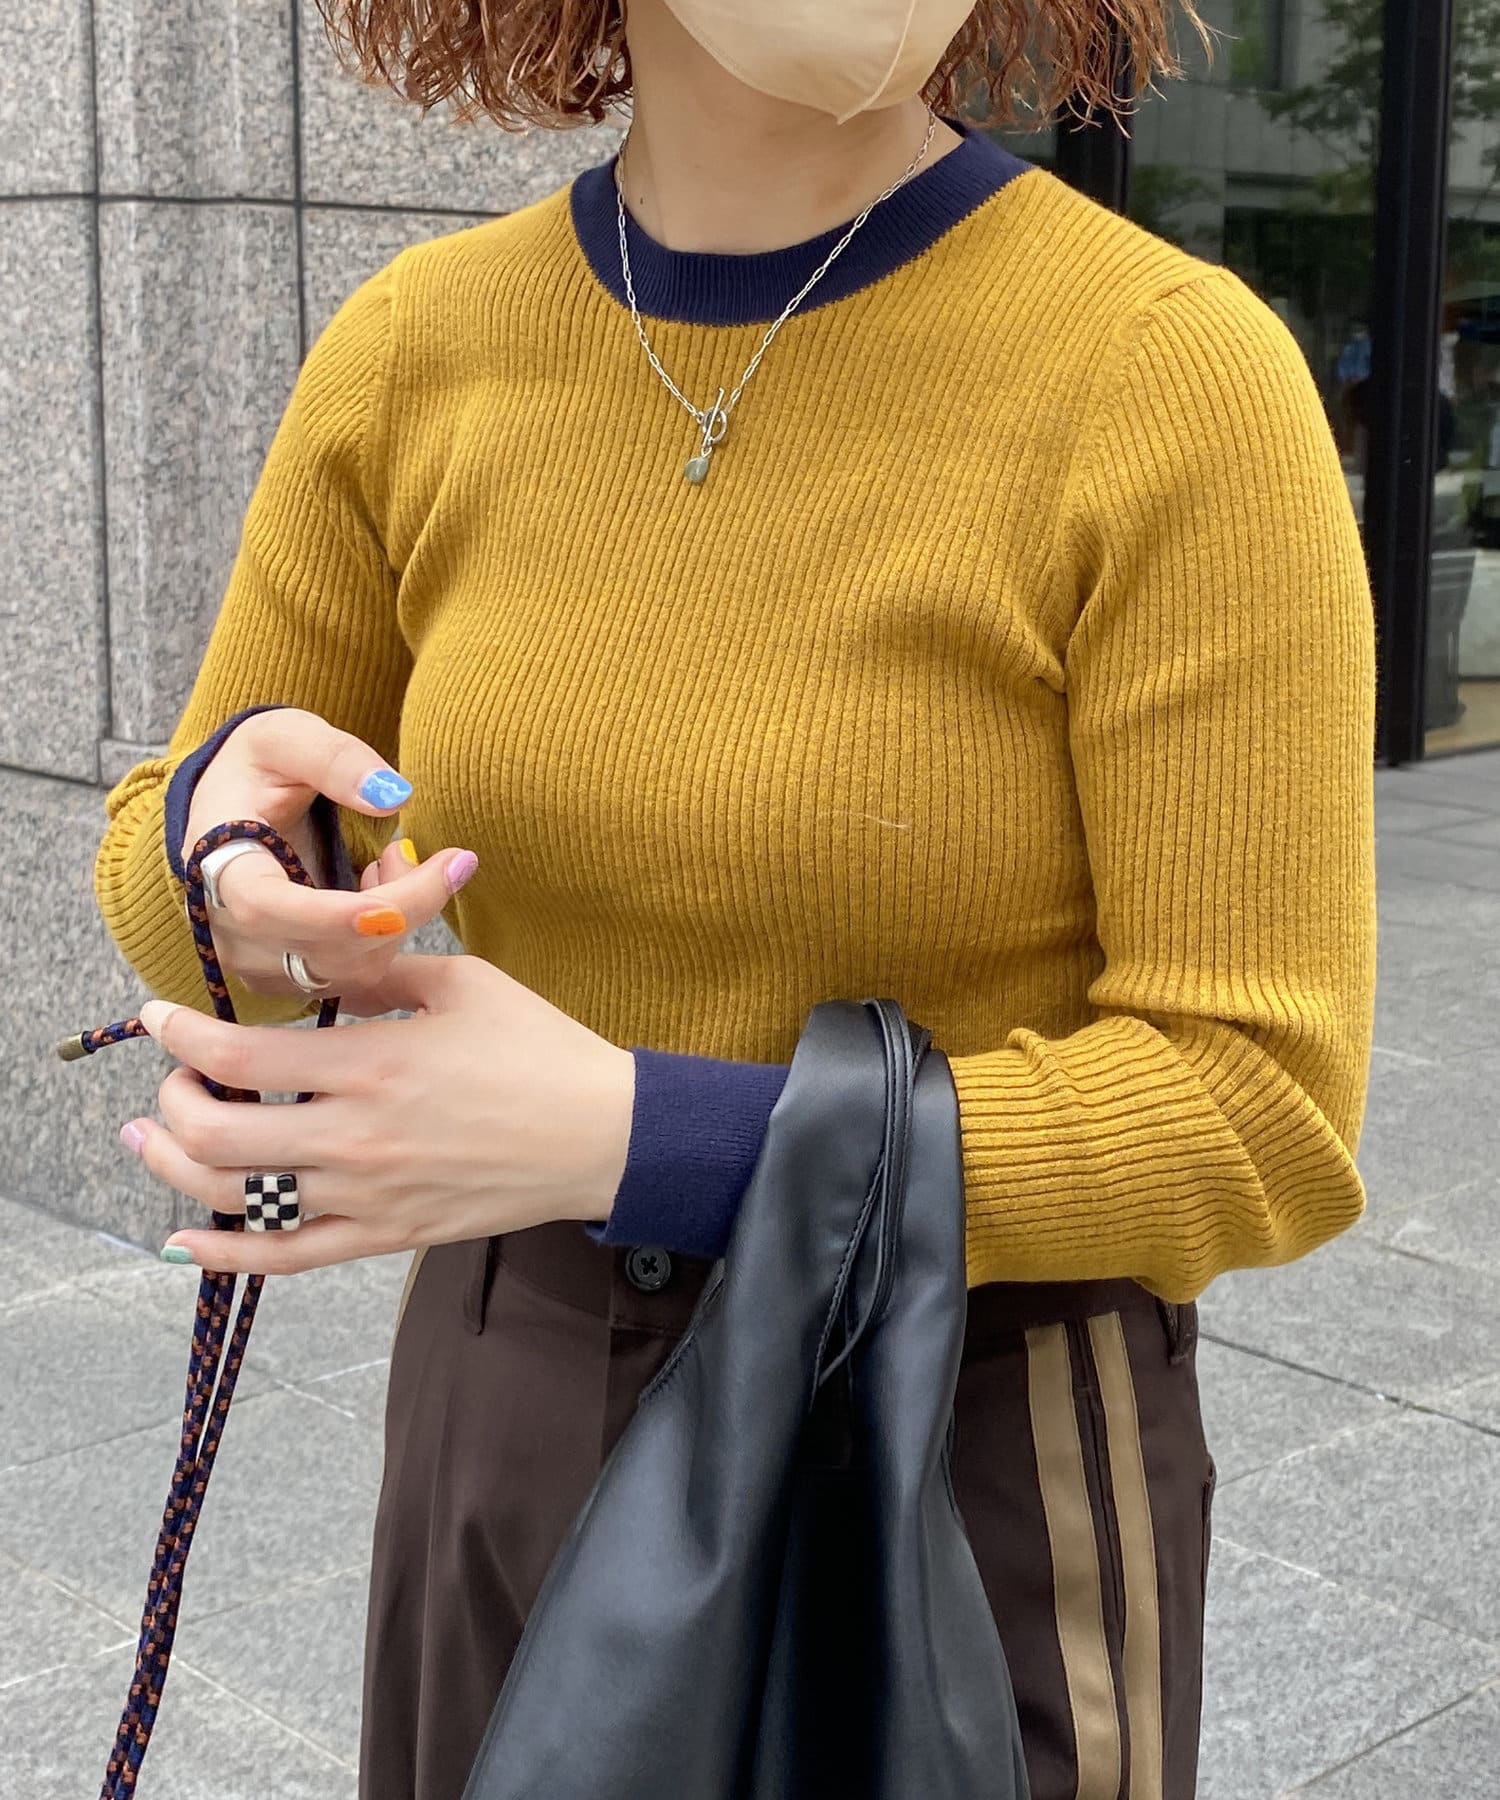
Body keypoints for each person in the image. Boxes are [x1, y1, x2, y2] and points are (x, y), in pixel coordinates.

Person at [92, 3, 1377, 1796]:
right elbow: (183, 833)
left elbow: (1258, 1110)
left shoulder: (1164, 370)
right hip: (511, 1384)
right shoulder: (419, 349)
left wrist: (642, 1136)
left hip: (956, 1426)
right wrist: (247, 887)